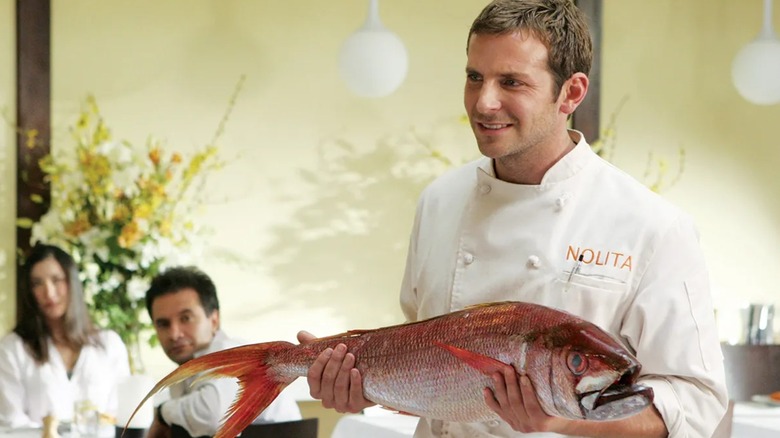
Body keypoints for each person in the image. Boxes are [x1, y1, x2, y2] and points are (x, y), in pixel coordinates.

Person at [298, 1, 728, 437]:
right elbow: (430, 361)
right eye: (474, 78)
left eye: (511, 82)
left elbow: (695, 401)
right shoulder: (438, 202)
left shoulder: (652, 225)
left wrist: (560, 422)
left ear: (572, 93)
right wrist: (362, 386)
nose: (484, 103)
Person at [144, 266, 301, 438]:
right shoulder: (181, 378)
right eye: (163, 324)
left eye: (185, 318)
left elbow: (212, 416)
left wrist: (162, 412)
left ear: (214, 320)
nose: (174, 334)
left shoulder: (233, 354)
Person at [0, 244, 130, 428]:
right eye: (37, 283)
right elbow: (11, 420)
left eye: (56, 280)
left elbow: (120, 413)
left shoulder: (109, 344)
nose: (49, 293)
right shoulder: (12, 348)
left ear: (72, 282)